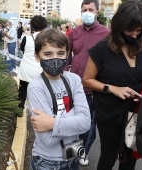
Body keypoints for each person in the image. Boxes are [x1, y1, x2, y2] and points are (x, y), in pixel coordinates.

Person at [82, 0, 142, 170]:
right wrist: (113, 88)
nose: (135, 36)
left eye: (140, 31)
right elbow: (87, 80)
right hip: (110, 113)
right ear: (119, 26)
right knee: (108, 155)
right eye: (130, 30)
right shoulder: (102, 49)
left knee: (130, 156)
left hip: (138, 113)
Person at [27, 28, 91, 170]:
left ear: (67, 55)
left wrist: (51, 122)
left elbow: (86, 123)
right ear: (37, 57)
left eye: (60, 53)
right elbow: (48, 140)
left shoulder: (73, 79)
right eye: (48, 54)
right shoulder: (36, 88)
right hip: (47, 162)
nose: (55, 59)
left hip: (73, 155)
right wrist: (75, 117)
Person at [65, 0, 110, 165]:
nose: (87, 12)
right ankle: (70, 155)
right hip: (74, 88)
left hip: (94, 90)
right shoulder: (74, 33)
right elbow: (66, 55)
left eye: (91, 9)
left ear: (97, 12)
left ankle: (83, 152)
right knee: (72, 124)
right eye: (84, 9)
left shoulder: (107, 34)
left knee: (89, 127)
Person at [17, 15, 47, 109]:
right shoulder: (47, 40)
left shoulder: (27, 38)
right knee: (39, 92)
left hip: (26, 69)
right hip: (40, 70)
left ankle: (20, 109)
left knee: (22, 90)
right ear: (44, 26)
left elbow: (22, 50)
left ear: (32, 25)